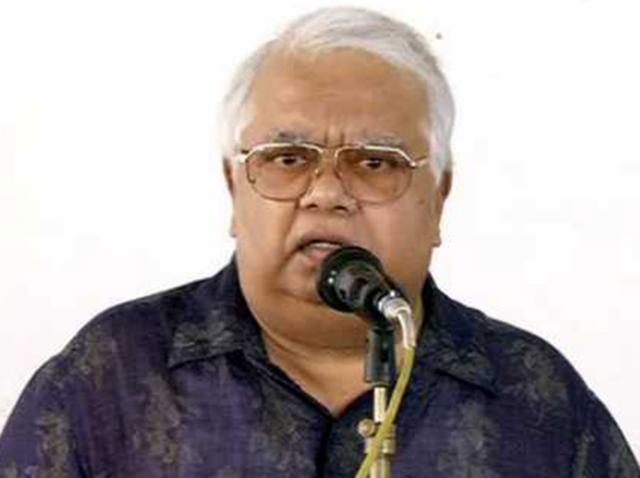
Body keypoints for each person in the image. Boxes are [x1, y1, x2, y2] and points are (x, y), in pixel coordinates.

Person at [0, 6, 638, 477]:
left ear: (440, 198)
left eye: (376, 163)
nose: (326, 192)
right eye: (287, 159)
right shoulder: (105, 381)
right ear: (234, 187)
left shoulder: (537, 401)